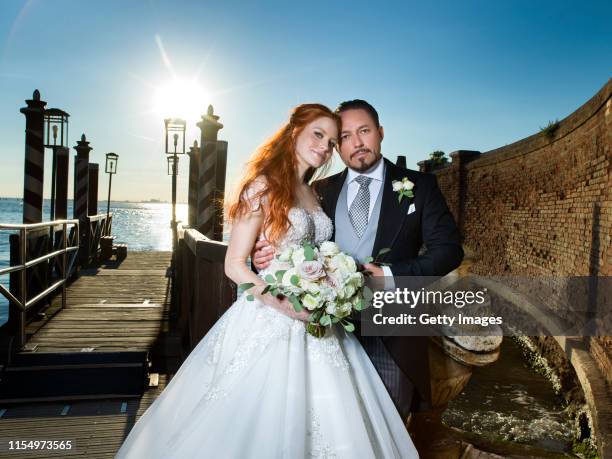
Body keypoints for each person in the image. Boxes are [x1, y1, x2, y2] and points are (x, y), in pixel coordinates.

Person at [115, 103, 419, 458]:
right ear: (294, 133)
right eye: (317, 135)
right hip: (272, 313)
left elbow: (317, 248)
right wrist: (282, 303)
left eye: (332, 142)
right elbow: (234, 263)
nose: (324, 147)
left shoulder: (314, 192)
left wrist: (331, 279)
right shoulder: (262, 186)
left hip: (318, 316)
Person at [253, 100, 464, 421]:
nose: (357, 143)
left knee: (389, 426)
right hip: (328, 331)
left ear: (379, 133)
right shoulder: (320, 190)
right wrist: (263, 254)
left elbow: (449, 250)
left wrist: (391, 275)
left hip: (392, 333)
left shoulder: (420, 187)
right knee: (330, 424)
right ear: (337, 147)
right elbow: (292, 241)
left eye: (364, 131)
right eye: (346, 137)